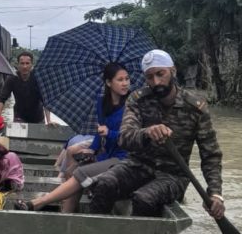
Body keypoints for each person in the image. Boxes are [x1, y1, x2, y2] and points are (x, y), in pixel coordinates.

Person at [88, 49, 225, 219]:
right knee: (104, 183)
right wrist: (147, 133)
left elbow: (210, 154)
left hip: (173, 175)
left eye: (161, 74)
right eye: (150, 77)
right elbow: (125, 137)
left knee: (144, 198)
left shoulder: (195, 107)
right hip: (137, 166)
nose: (156, 81)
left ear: (173, 71)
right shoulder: (137, 99)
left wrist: (215, 193)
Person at [15, 63, 130, 213]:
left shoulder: (131, 105)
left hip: (122, 158)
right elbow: (99, 132)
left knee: (80, 173)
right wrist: (92, 149)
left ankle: (38, 203)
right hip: (105, 154)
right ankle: (67, 215)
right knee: (71, 169)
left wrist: (110, 134)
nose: (125, 83)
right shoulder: (101, 102)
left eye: (127, 79)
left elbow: (130, 138)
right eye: (120, 80)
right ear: (109, 82)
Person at [0, 51, 53, 125]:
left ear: (32, 65)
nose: (25, 66)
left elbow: (45, 101)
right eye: (22, 63)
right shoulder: (12, 78)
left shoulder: (38, 78)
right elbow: (1, 99)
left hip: (38, 117)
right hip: (20, 116)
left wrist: (49, 120)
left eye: (27, 63)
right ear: (18, 65)